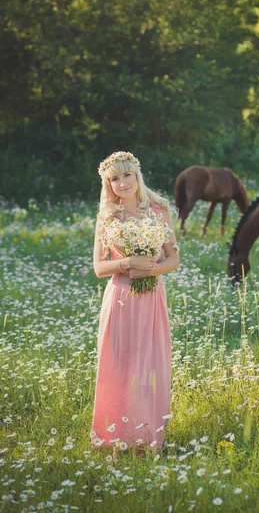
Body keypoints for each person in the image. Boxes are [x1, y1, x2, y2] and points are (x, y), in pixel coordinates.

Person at [90, 151, 179, 460]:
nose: (122, 183)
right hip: (119, 299)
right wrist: (127, 262)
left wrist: (150, 270)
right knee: (118, 365)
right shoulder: (107, 216)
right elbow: (100, 268)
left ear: (137, 175)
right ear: (108, 183)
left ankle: (147, 439)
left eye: (127, 175)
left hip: (151, 296)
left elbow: (174, 258)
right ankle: (116, 440)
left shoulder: (159, 210)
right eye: (114, 178)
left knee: (148, 366)